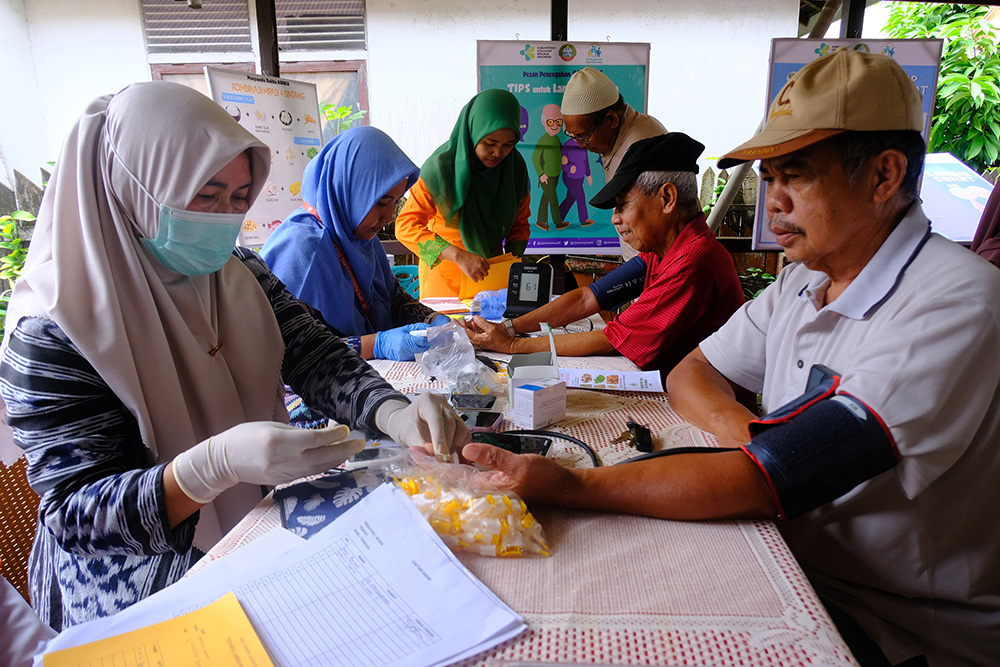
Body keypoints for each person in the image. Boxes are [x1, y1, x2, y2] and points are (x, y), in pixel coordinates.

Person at [463, 49, 1000, 666]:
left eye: (795, 175)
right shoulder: (803, 281)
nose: (773, 202)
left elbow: (771, 476)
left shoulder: (955, 301)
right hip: (796, 558)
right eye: (769, 178)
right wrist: (748, 433)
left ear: (883, 176)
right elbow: (694, 370)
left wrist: (570, 482)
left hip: (898, 626)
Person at [0, 82, 469, 630]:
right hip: (135, 589)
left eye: (240, 197)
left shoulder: (238, 272)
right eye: (206, 195)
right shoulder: (56, 331)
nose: (225, 217)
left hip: (251, 532)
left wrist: (394, 411)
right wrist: (208, 469)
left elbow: (317, 357)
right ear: (134, 187)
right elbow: (80, 518)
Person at [463, 133, 743, 378]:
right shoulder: (666, 251)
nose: (615, 219)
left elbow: (614, 339)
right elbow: (590, 296)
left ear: (666, 199)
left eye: (622, 205)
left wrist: (512, 346)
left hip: (703, 398)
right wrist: (508, 329)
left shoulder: (693, 262)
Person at [261, 126, 450, 362]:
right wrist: (376, 345)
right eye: (381, 202)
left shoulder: (360, 240)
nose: (389, 217)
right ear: (349, 189)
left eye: (395, 202)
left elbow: (396, 300)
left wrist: (436, 322)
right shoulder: (302, 252)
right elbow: (294, 352)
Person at [395, 89, 531, 297]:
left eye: (508, 145)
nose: (498, 153)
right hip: (444, 282)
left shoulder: (515, 169)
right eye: (490, 143)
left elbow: (520, 225)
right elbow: (406, 226)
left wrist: (512, 263)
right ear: (472, 132)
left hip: (491, 280)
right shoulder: (441, 169)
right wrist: (457, 255)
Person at [560, 66, 666, 260]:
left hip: (656, 265)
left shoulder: (641, 147)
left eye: (583, 137)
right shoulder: (615, 135)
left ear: (611, 119)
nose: (580, 145)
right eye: (572, 136)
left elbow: (655, 237)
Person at [532, 103, 566, 231]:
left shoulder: (556, 139)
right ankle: (558, 222)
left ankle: (541, 221)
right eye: (551, 122)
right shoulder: (543, 139)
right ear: (543, 121)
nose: (555, 125)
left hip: (556, 174)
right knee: (553, 198)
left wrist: (564, 159)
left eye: (558, 122)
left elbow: (560, 152)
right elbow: (535, 158)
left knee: (546, 197)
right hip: (547, 176)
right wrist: (541, 174)